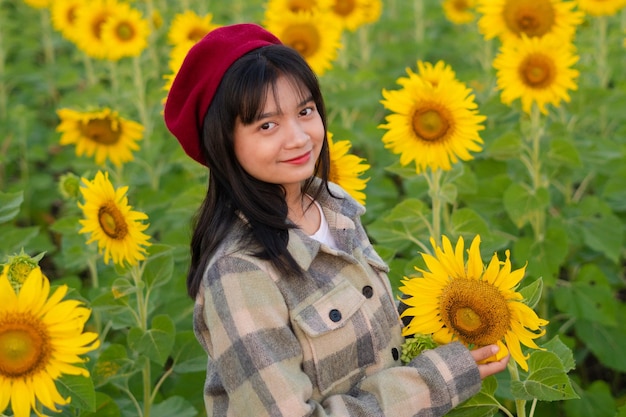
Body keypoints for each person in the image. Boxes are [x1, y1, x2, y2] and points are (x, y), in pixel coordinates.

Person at [164, 23, 509, 417]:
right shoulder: (240, 274)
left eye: (305, 111)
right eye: (266, 125)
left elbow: (374, 327)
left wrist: (451, 320)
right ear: (222, 141)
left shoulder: (333, 205)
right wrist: (436, 381)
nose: (299, 137)